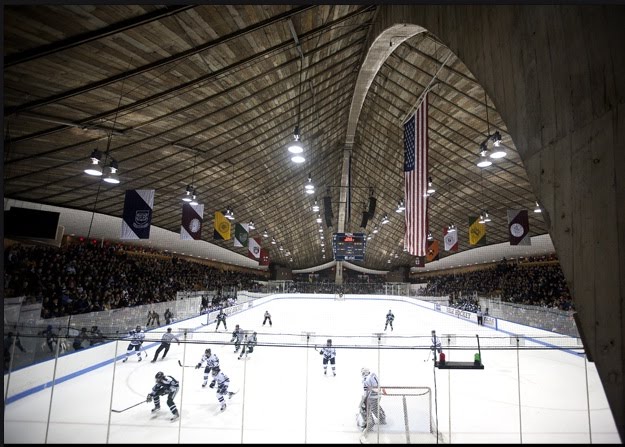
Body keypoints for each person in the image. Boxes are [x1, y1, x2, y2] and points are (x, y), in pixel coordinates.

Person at [359, 367, 386, 441]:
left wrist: (364, 398)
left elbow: (375, 388)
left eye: (363, 372)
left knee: (366, 408)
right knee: (374, 407)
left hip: (372, 396)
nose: (362, 374)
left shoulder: (367, 378)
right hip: (375, 396)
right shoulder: (372, 375)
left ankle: (370, 423)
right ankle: (382, 418)